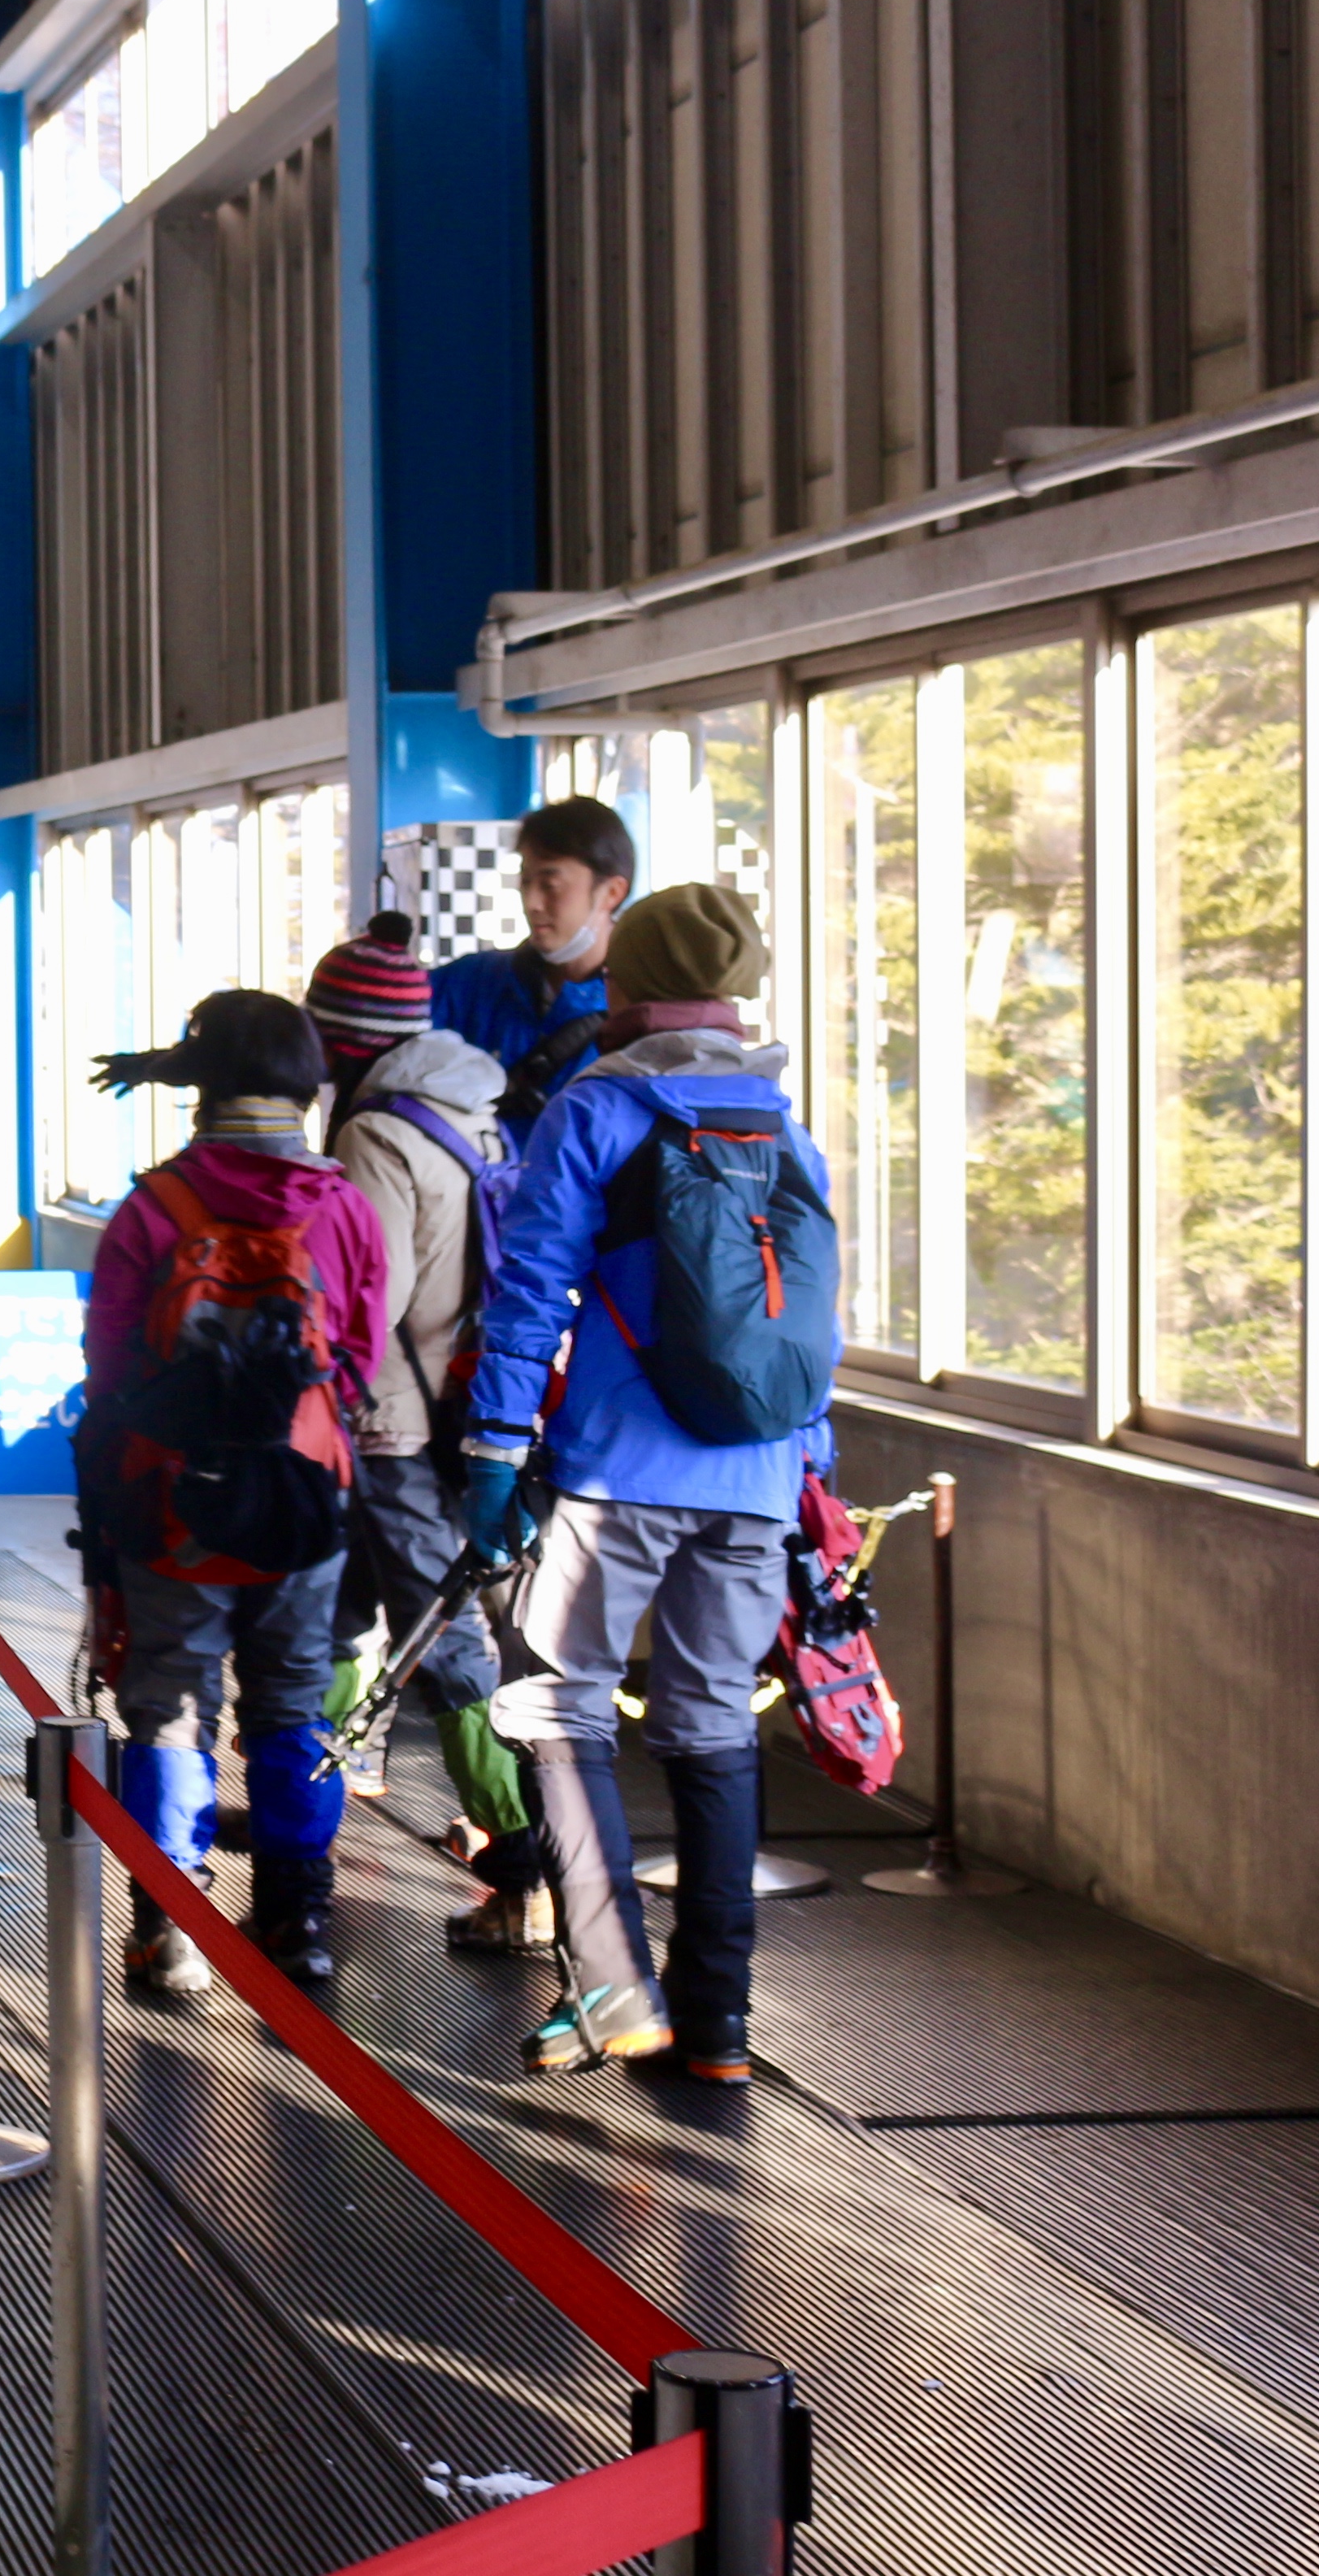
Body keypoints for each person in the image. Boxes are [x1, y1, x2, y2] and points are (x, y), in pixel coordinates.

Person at [456, 883, 840, 2084]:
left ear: (628, 983)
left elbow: (531, 1291)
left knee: (558, 1708)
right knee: (715, 1720)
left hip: (619, 1472)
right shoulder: (787, 1125)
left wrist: (494, 1449)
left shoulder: (598, 1109)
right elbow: (815, 1317)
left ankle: (618, 1991)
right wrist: (807, 1461)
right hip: (760, 1471)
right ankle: (719, 2023)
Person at [82, 991, 386, 1991]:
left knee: (170, 1700)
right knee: (292, 1703)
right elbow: (359, 1357)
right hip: (304, 1494)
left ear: (201, 1088)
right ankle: (298, 1920)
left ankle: (171, 1926)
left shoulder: (152, 1209)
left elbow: (109, 1363)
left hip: (173, 1494)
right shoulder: (344, 1208)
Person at [306, 923, 546, 1952]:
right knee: (335, 1619)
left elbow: (373, 1298)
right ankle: (307, 1816)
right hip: (452, 1411)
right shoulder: (472, 1111)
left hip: (388, 1426)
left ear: (343, 1039)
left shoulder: (374, 1134)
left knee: (442, 1647)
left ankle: (523, 1869)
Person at [428, 797, 637, 1136]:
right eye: (526, 882)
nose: (532, 903)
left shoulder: (641, 1010)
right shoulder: (471, 983)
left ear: (612, 892)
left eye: (550, 885)